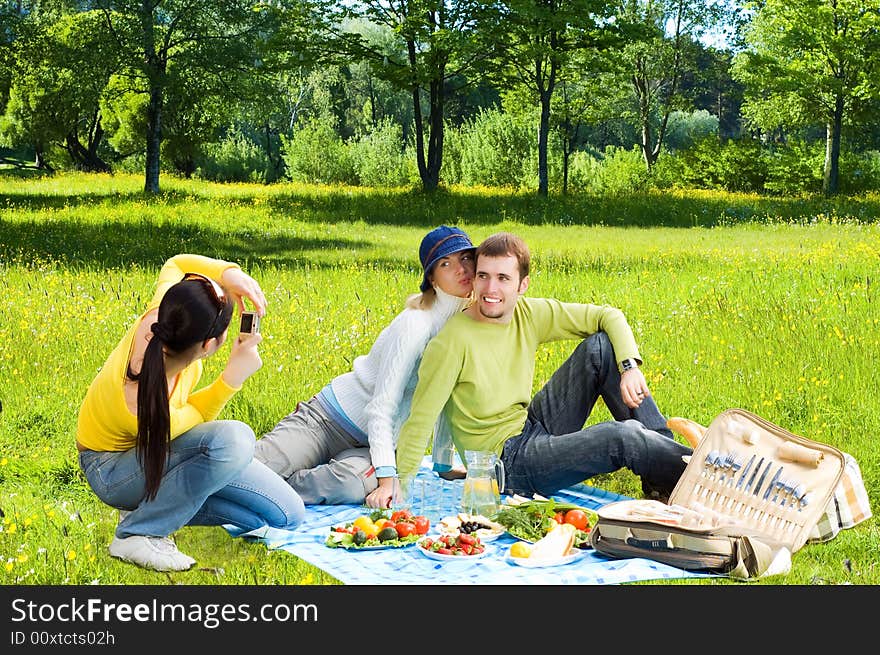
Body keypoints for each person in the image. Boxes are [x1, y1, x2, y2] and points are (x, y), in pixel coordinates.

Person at [395, 232, 693, 501]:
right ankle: (701, 473)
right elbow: (420, 420)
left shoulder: (528, 313)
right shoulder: (451, 342)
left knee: (600, 348)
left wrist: (629, 367)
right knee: (622, 436)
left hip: (531, 426)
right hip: (508, 465)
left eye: (503, 278)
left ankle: (665, 476)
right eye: (483, 276)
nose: (491, 288)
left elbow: (608, 316)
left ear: (522, 285)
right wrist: (399, 485)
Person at [76, 254, 305, 572]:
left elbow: (175, 264)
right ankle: (138, 531)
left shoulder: (165, 318)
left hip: (155, 452)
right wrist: (230, 380)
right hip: (111, 470)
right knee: (234, 439)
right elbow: (197, 418)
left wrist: (228, 274)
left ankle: (144, 508)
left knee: (284, 514)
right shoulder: (139, 405)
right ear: (211, 344)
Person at [254, 225, 476, 510]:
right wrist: (387, 478)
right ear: (431, 278)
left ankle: (270, 491)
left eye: (466, 258)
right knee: (255, 467)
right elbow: (381, 407)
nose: (461, 269)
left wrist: (443, 465)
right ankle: (253, 481)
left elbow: (444, 400)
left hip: (372, 446)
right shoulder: (416, 324)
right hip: (326, 421)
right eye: (446, 263)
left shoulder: (466, 327)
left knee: (351, 484)